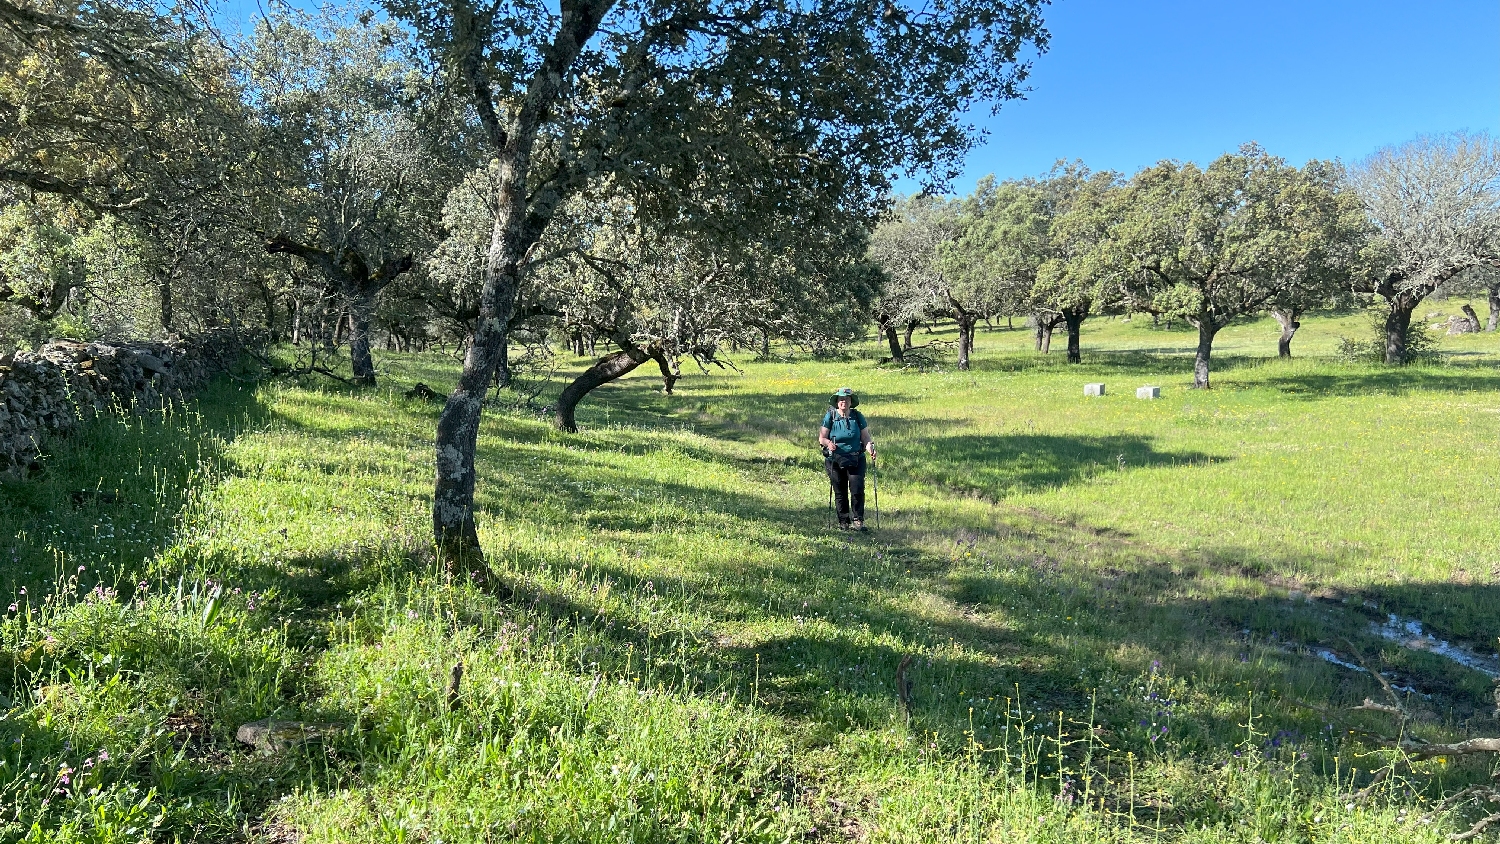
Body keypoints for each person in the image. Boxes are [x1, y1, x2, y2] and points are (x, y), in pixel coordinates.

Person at [818, 387, 875, 530]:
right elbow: (822, 438)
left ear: (851, 402)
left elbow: (865, 437)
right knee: (840, 490)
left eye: (847, 399)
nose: (844, 402)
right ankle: (844, 521)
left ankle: (858, 520)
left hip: (856, 458)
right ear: (837, 402)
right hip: (835, 460)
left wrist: (870, 448)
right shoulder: (830, 417)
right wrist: (829, 443)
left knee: (857, 489)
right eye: (841, 399)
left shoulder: (857, 416)